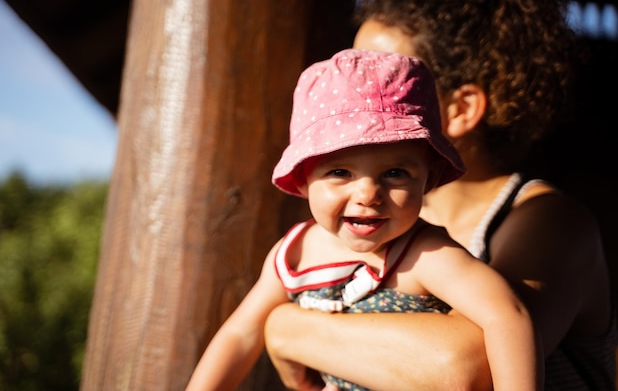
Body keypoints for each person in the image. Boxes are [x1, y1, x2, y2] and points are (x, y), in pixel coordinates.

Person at [263, 0, 617, 390]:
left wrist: (286, 328)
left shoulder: (551, 222)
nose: (351, 94)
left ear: (460, 109)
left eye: (382, 77)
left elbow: (467, 368)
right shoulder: (375, 219)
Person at [184, 48, 540, 391]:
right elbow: (240, 334)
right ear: (304, 180)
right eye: (340, 171)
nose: (368, 194)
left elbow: (508, 316)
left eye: (395, 173)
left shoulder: (426, 254)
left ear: (428, 179)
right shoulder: (294, 254)